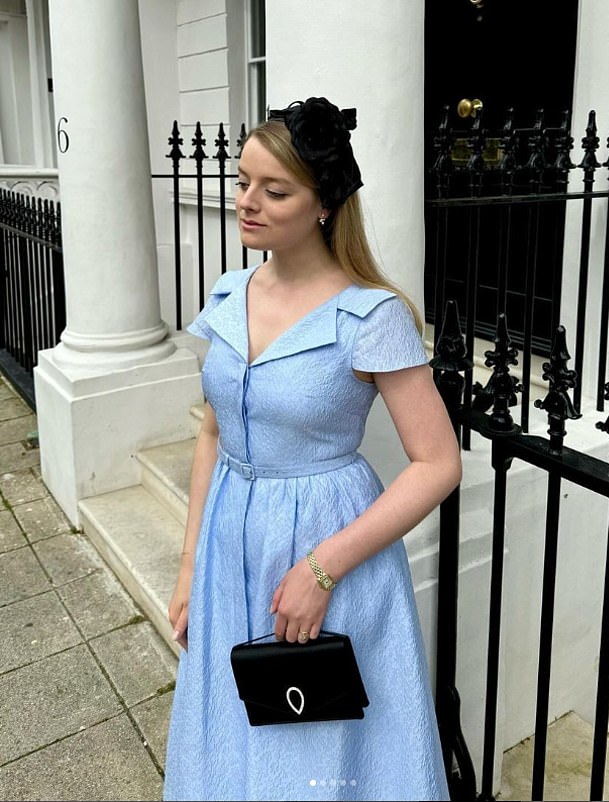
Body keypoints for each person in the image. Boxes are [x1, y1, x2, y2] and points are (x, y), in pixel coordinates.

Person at [162, 96, 461, 802]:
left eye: (275, 189)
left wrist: (321, 570)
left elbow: (439, 463)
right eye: (242, 182)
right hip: (229, 543)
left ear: (324, 202)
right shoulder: (229, 294)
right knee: (235, 720)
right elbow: (213, 428)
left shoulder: (371, 314)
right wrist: (187, 567)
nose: (247, 203)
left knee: (316, 743)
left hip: (328, 548)